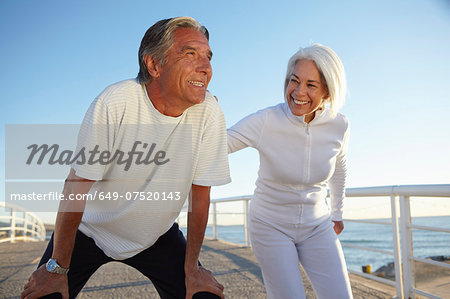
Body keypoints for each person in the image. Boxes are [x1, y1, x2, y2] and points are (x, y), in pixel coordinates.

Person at [21, 17, 230, 299]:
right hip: (91, 230)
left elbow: (200, 194)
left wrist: (192, 267)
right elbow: (76, 185)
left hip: (155, 236)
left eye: (207, 57)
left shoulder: (210, 113)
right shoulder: (115, 102)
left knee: (203, 296)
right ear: (154, 65)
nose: (205, 67)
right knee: (45, 294)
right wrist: (56, 268)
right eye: (190, 54)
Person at [227, 44, 353, 299]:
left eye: (311, 85)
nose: (298, 92)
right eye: (294, 81)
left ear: (327, 90)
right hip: (270, 224)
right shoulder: (266, 121)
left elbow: (339, 168)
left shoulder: (339, 125)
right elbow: (218, 144)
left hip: (317, 224)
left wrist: (337, 212)